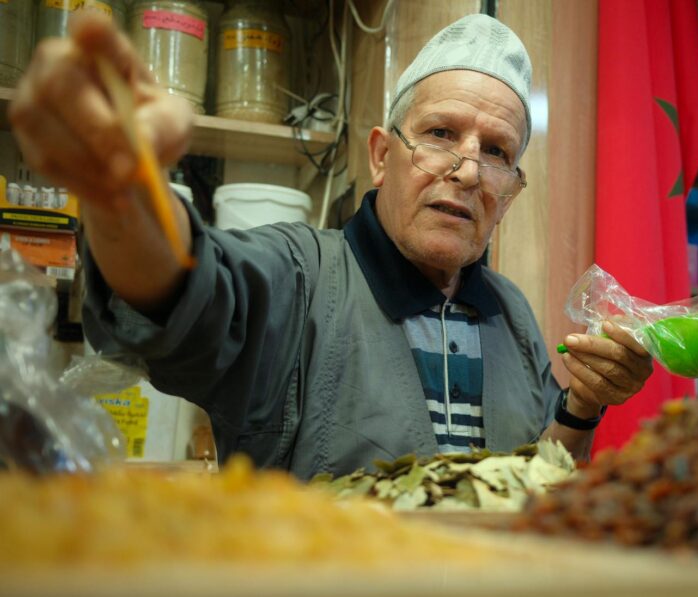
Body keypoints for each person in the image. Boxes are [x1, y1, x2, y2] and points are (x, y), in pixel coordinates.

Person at [10, 12, 654, 479]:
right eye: (439, 133)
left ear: (509, 193)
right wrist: (125, 194)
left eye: (495, 152)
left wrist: (584, 404)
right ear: (381, 155)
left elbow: (538, 480)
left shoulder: (510, 314)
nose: (465, 170)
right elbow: (187, 291)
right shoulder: (300, 275)